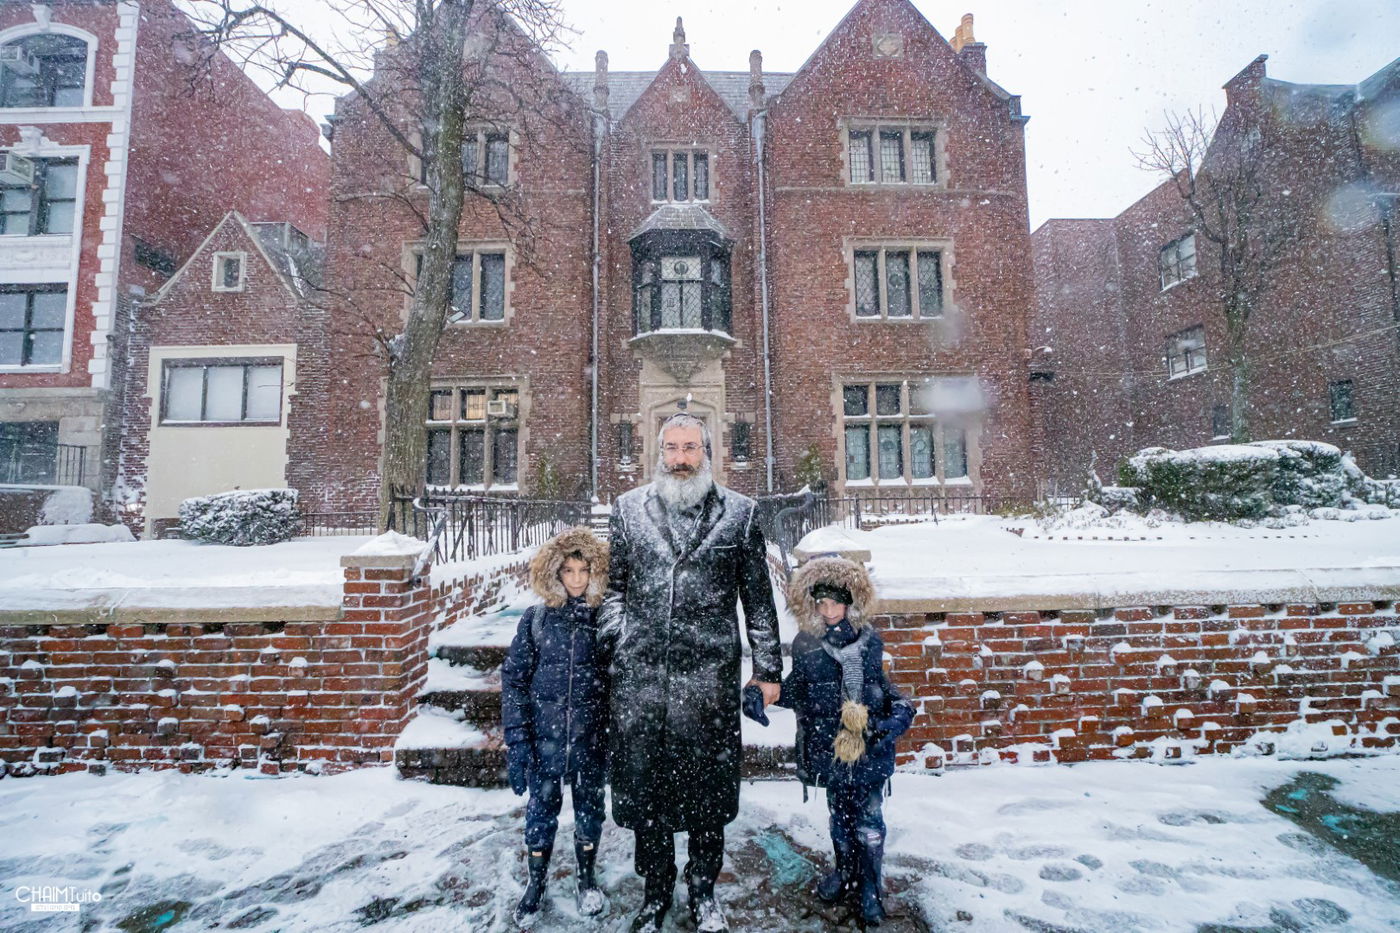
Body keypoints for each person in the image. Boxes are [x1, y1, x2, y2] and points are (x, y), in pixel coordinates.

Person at [599, 412, 782, 933]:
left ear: (707, 452)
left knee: (707, 795)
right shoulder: (628, 510)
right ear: (661, 451)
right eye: (672, 448)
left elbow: (759, 602)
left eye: (690, 449)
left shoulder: (740, 515)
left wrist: (767, 669)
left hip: (708, 681)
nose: (680, 459)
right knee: (648, 795)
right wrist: (619, 635)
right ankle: (655, 892)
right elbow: (614, 588)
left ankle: (704, 892)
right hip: (643, 682)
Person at [770, 556, 914, 926]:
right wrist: (765, 694)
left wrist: (886, 725)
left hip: (867, 752)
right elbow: (796, 691)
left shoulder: (869, 642)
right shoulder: (807, 643)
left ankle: (870, 887)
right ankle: (845, 872)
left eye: (835, 602)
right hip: (828, 749)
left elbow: (887, 693)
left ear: (850, 603)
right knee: (839, 819)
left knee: (868, 822)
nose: (829, 610)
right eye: (822, 603)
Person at [500, 527, 611, 928]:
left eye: (584, 570)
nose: (577, 579)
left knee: (589, 814)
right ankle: (537, 882)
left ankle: (586, 877)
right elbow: (514, 681)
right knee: (540, 815)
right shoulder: (537, 621)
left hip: (589, 741)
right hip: (544, 743)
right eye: (569, 570)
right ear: (555, 573)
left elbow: (618, 681)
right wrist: (517, 744)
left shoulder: (604, 620)